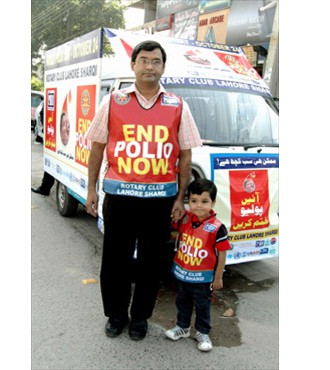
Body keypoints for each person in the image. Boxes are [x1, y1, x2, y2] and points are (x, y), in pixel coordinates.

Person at [85, 40, 202, 341]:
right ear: (133, 65)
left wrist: (180, 198)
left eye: (156, 61)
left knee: (151, 264)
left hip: (159, 202)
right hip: (120, 198)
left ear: (163, 67)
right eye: (144, 60)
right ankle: (115, 315)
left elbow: (185, 155)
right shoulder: (113, 102)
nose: (150, 66)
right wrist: (91, 190)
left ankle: (140, 319)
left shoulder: (177, 105)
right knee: (115, 261)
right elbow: (97, 147)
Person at [164, 178, 231, 352]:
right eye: (193, 201)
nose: (198, 206)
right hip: (183, 274)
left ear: (213, 203)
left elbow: (222, 253)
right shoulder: (184, 219)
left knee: (202, 305)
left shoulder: (217, 228)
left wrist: (218, 277)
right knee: (182, 302)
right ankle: (183, 327)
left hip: (203, 278)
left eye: (204, 202)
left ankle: (203, 332)